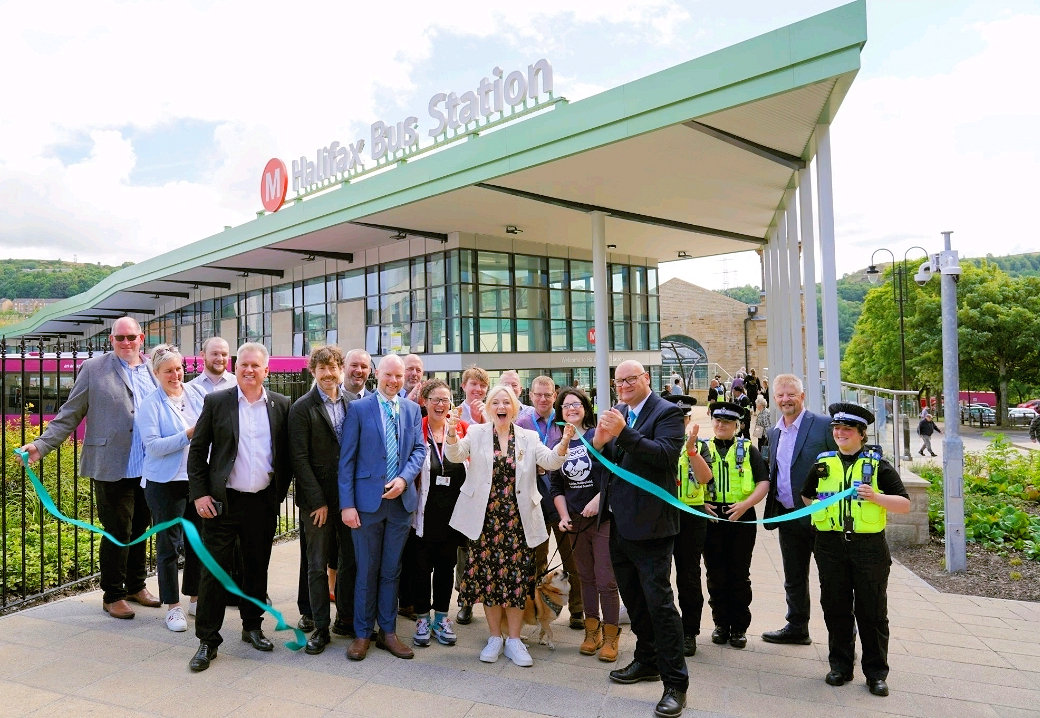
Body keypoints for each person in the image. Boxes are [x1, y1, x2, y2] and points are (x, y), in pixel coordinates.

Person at [20, 316, 160, 620]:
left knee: (140, 528)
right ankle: (113, 595)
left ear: (141, 338)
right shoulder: (94, 369)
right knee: (117, 531)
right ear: (111, 340)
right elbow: (70, 414)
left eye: (131, 337)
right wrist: (41, 445)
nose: (126, 343)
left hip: (149, 466)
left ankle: (137, 585)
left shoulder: (151, 369)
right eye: (120, 338)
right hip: (111, 465)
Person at [445, 385, 575, 667]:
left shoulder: (528, 437)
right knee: (490, 583)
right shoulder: (477, 433)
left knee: (516, 583)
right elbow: (454, 455)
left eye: (507, 402)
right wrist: (452, 431)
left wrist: (564, 441)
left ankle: (514, 641)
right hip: (485, 521)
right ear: (489, 408)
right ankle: (495, 638)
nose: (501, 406)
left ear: (514, 409)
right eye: (496, 402)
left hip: (518, 523)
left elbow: (551, 461)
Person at [186, 342, 292, 672]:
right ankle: (207, 640)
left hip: (261, 503)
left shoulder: (280, 405)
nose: (248, 370)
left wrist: (277, 495)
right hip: (222, 503)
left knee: (256, 568)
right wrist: (200, 494)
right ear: (235, 367)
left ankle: (252, 627)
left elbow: (287, 457)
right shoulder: (217, 401)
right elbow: (197, 451)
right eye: (243, 364)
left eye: (255, 366)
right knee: (214, 573)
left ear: (266, 370)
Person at [593, 360, 687, 718]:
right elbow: (606, 463)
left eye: (631, 379)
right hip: (618, 523)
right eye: (619, 381)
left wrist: (623, 433)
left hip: (652, 526)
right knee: (634, 600)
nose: (624, 385)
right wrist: (599, 442)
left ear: (647, 379)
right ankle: (646, 660)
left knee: (659, 604)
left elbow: (665, 456)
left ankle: (675, 683)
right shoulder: (619, 412)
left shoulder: (667, 412)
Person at [803, 402, 910, 697]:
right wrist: (821, 513)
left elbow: (904, 504)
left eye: (847, 429)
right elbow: (806, 494)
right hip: (829, 546)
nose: (840, 433)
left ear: (862, 434)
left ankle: (876, 673)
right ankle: (840, 666)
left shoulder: (877, 466)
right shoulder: (823, 463)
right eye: (836, 428)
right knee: (835, 608)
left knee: (872, 611)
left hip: (868, 548)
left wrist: (876, 497)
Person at [339, 354, 426, 662]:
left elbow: (419, 449)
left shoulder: (413, 410)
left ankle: (388, 632)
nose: (393, 381)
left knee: (391, 570)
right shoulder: (359, 409)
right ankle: (363, 634)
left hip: (400, 504)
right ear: (378, 374)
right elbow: (346, 460)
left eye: (399, 377)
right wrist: (346, 505)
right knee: (366, 570)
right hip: (366, 505)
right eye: (388, 375)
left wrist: (404, 479)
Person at [289, 345, 358, 655]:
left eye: (333, 368)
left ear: (340, 370)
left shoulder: (354, 403)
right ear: (313, 371)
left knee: (349, 560)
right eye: (322, 369)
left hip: (348, 499)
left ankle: (345, 618)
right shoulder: (302, 408)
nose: (328, 374)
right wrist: (317, 501)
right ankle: (320, 626)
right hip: (317, 501)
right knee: (317, 564)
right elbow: (299, 459)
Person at [761, 374, 837, 646]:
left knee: (832, 582)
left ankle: (842, 639)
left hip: (822, 519)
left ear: (802, 396)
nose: (785, 399)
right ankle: (797, 627)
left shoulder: (824, 425)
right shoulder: (774, 431)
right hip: (788, 516)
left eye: (791, 394)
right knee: (793, 577)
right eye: (780, 395)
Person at [137, 344, 205, 633]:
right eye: (168, 371)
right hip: (164, 484)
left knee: (197, 544)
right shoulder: (150, 404)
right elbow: (152, 446)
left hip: (196, 481)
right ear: (156, 374)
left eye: (178, 369)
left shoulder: (197, 394)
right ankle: (172, 607)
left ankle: (195, 598)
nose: (175, 374)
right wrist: (187, 435)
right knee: (168, 547)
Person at [551, 387, 621, 662]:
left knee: (606, 579)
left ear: (585, 407)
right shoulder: (560, 444)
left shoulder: (598, 436)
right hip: (575, 523)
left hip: (601, 518)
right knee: (585, 578)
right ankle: (591, 632)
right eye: (566, 406)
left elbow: (615, 474)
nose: (571, 409)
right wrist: (563, 515)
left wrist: (598, 499)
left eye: (576, 404)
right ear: (560, 412)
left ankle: (612, 636)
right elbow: (556, 485)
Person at [518, 375, 585, 631]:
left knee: (571, 559)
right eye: (538, 395)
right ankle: (538, 607)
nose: (543, 399)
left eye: (548, 395)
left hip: (563, 501)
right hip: (534, 501)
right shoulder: (521, 423)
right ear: (531, 396)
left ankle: (578, 610)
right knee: (537, 560)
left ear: (554, 395)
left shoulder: (565, 421)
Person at [702, 401, 769, 649]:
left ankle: (739, 627)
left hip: (741, 517)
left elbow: (763, 482)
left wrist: (745, 505)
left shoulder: (748, 449)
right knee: (715, 573)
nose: (721, 425)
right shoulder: (701, 448)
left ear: (737, 425)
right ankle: (720, 624)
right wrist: (700, 505)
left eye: (727, 422)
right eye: (718, 421)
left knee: (739, 574)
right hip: (711, 518)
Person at [410, 380, 468, 647]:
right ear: (424, 401)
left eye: (445, 400)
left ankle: (442, 618)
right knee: (421, 569)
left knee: (446, 567)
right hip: (423, 515)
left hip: (452, 516)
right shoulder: (416, 430)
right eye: (435, 399)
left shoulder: (462, 430)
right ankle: (422, 617)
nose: (440, 405)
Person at [184, 336, 236, 618]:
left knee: (232, 539)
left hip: (232, 473)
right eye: (215, 353)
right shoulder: (191, 389)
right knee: (200, 537)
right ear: (202, 354)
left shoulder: (237, 384)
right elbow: (196, 434)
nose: (220, 358)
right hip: (205, 472)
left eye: (225, 354)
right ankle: (195, 596)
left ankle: (230, 590)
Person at [662, 394, 712, 657]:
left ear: (688, 420)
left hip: (691, 517)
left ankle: (689, 631)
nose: (676, 423)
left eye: (681, 419)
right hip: (659, 515)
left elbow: (705, 478)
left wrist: (692, 451)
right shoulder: (655, 443)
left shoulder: (698, 445)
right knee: (658, 576)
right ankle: (665, 628)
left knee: (689, 576)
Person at [455, 363, 490, 625]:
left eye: (482, 385)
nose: (477, 389)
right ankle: (464, 600)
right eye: (473, 384)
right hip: (461, 488)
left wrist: (484, 422)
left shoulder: (496, 412)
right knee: (464, 548)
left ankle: (487, 597)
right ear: (464, 386)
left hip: (487, 489)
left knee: (486, 547)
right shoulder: (454, 413)